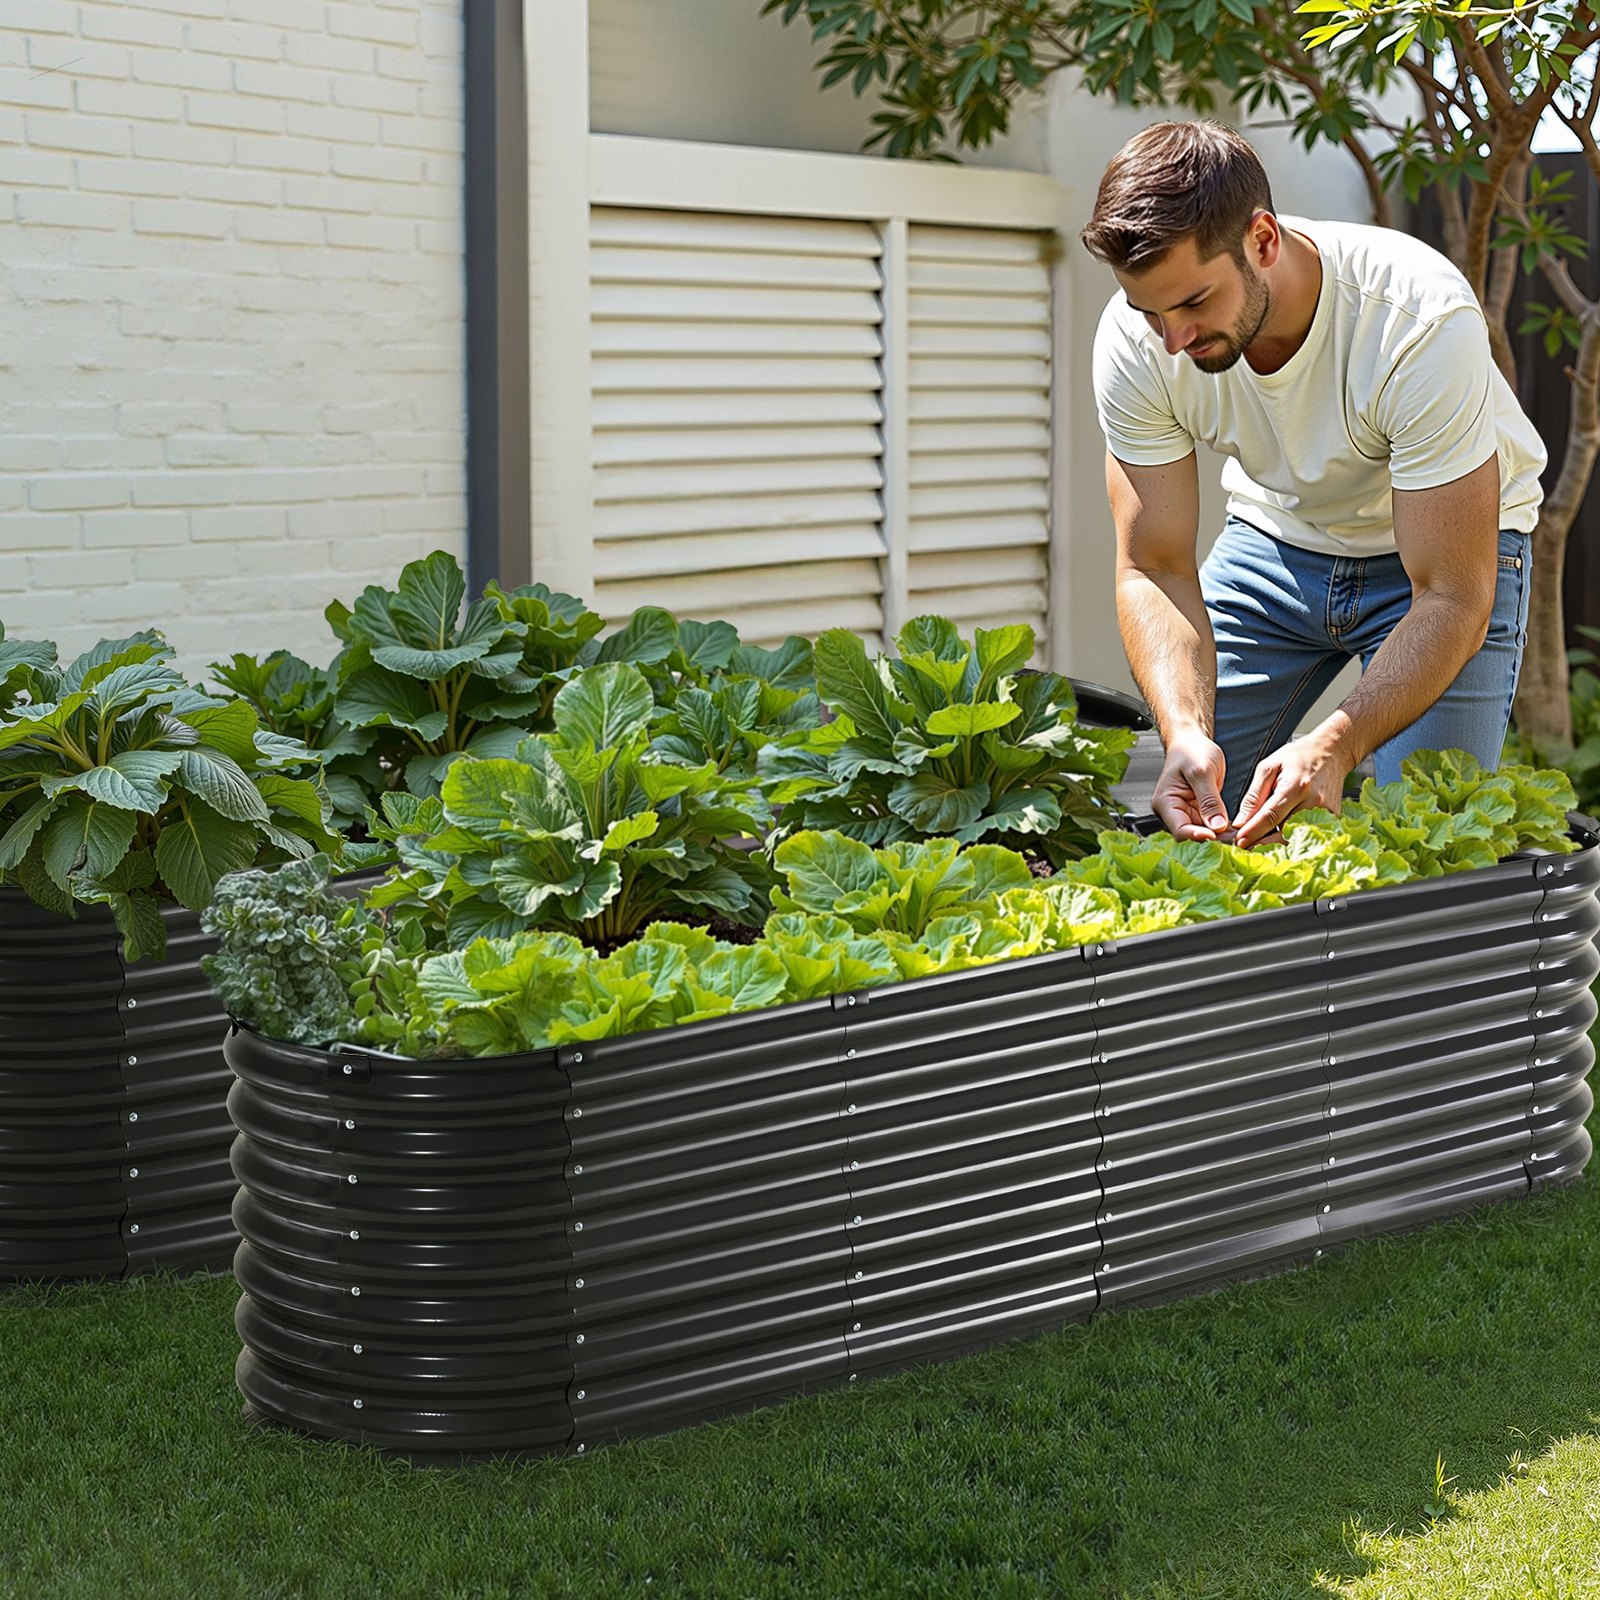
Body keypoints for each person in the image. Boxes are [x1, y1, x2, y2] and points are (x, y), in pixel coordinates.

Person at [1082, 120, 1546, 848]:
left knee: (1421, 847)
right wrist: (1183, 733)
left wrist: (1337, 743)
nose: (1172, 339)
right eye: (1150, 312)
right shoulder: (1134, 344)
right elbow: (1154, 566)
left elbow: (1454, 595)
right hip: (1276, 543)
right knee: (1178, 818)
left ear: (1262, 241)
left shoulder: (1416, 320)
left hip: (1432, 570)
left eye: (1194, 303)